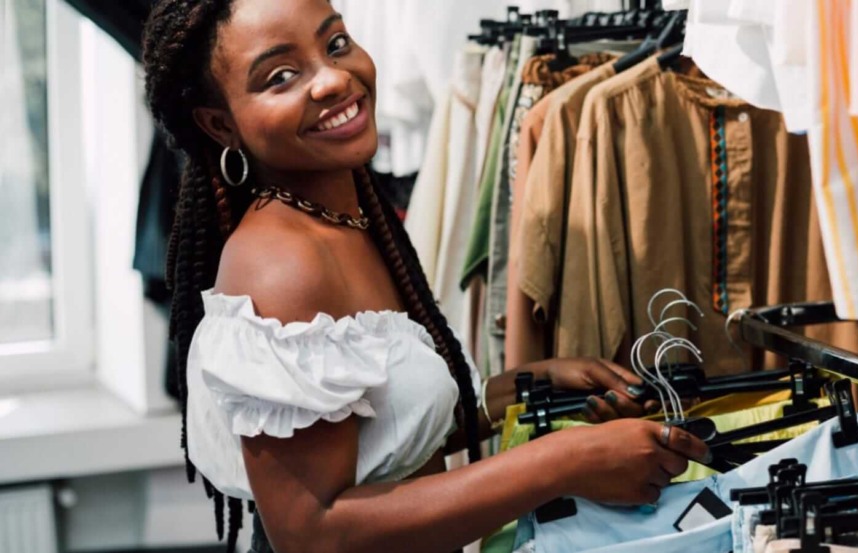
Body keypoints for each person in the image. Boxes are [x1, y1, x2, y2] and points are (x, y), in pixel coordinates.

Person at [141, 1, 711, 552]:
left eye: (335, 44)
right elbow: (313, 533)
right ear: (220, 124)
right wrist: (565, 463)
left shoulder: (349, 218)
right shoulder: (282, 264)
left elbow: (379, 447)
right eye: (282, 76)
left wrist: (511, 392)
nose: (334, 79)